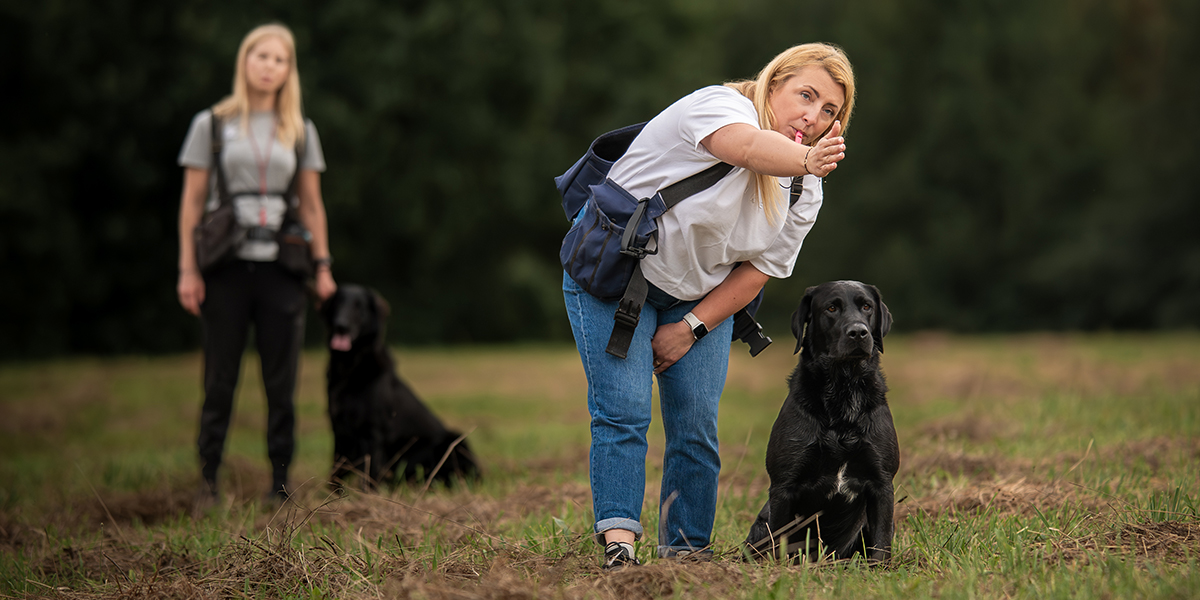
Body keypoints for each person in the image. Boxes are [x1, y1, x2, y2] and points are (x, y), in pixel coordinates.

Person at [562, 43, 855, 568]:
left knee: (696, 426)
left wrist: (691, 328)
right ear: (774, 83)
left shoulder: (805, 188)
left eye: (829, 110)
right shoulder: (718, 108)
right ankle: (619, 552)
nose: (812, 117)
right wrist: (806, 159)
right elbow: (743, 148)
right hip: (614, 278)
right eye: (805, 96)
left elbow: (758, 270)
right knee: (623, 415)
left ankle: (687, 553)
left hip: (701, 296)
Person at [176, 23, 337, 505]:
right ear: (245, 62)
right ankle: (208, 482)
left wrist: (323, 266)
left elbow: (311, 205)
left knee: (281, 382)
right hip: (225, 267)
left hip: (282, 270)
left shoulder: (300, 130)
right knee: (219, 379)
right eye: (261, 56)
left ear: (290, 71)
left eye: (280, 59)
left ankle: (280, 484)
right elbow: (192, 202)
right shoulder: (213, 124)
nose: (270, 66)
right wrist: (188, 269)